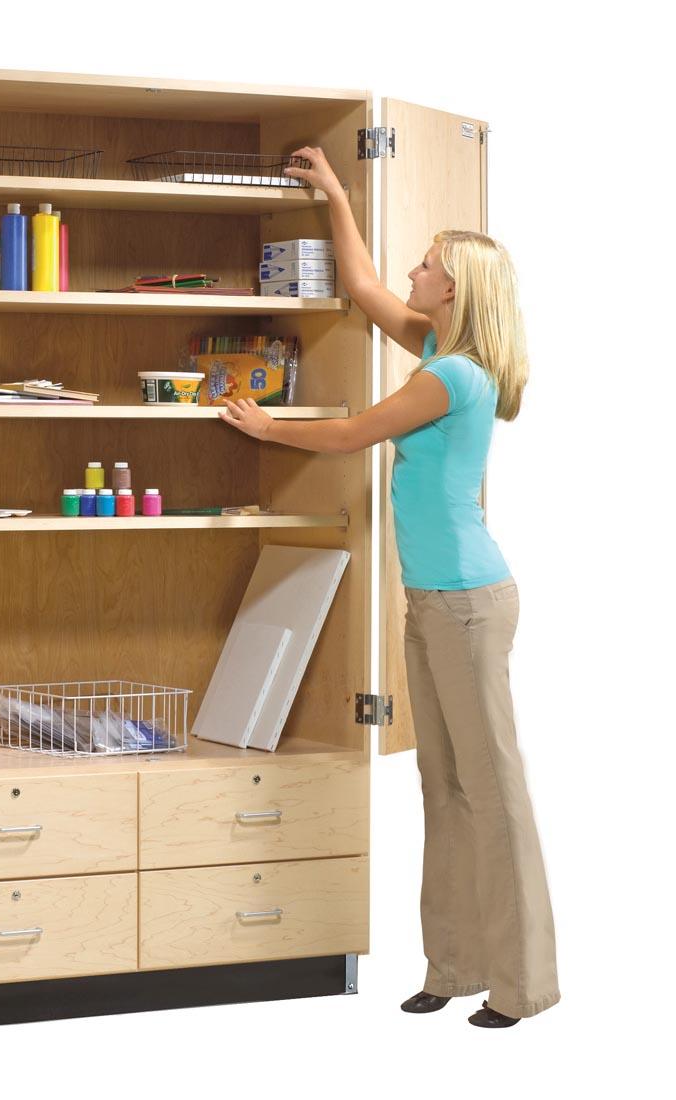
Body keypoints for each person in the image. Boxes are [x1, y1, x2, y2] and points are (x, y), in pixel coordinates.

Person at [217, 145, 560, 1028]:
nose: (415, 268)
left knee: (494, 792)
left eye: (429, 264)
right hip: (434, 602)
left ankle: (521, 987)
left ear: (453, 289)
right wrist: (335, 193)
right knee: (442, 788)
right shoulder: (441, 346)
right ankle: (451, 969)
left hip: (469, 606)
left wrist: (265, 424)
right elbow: (367, 289)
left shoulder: (450, 375)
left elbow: (349, 436)